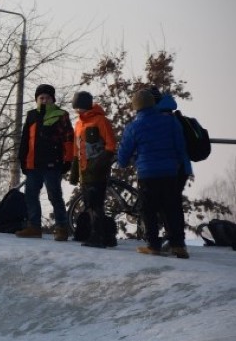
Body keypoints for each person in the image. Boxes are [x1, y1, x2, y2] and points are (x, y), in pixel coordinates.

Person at [117, 89, 189, 258]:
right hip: (170, 172)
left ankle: (153, 245)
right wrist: (176, 164)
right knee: (172, 208)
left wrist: (123, 162)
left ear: (136, 107)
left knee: (148, 209)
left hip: (147, 174)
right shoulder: (170, 122)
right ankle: (178, 245)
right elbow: (180, 147)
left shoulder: (134, 126)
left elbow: (123, 155)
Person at [16, 83, 74, 240]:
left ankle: (62, 227)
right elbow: (25, 139)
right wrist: (22, 159)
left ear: (52, 99)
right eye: (41, 97)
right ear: (37, 99)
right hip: (33, 163)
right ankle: (34, 227)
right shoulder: (31, 115)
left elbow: (69, 138)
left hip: (53, 163)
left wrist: (68, 160)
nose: (44, 100)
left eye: (47, 97)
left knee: (54, 195)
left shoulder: (61, 114)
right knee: (30, 195)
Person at [68, 90, 117, 247]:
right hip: (84, 173)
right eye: (76, 108)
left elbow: (111, 146)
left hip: (98, 171)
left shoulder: (100, 120)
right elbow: (76, 150)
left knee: (96, 205)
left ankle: (98, 237)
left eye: (80, 107)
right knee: (89, 205)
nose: (78, 110)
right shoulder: (78, 124)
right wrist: (74, 172)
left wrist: (99, 163)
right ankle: (102, 235)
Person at [148, 86, 194, 253]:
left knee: (168, 205)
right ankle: (176, 241)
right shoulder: (170, 114)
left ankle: (176, 241)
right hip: (180, 166)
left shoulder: (161, 117)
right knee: (171, 204)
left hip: (173, 168)